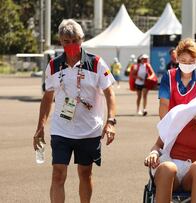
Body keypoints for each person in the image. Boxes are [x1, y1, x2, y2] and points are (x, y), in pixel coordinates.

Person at [32, 19, 117, 203]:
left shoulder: (96, 63)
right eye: (66, 41)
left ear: (82, 39)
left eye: (75, 40)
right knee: (58, 174)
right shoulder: (53, 66)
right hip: (61, 129)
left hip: (89, 130)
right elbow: (47, 97)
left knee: (85, 173)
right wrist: (40, 127)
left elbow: (110, 93)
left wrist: (110, 121)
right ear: (60, 41)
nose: (71, 45)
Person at [144, 38, 196, 203]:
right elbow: (159, 143)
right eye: (184, 60)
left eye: (191, 61)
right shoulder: (175, 120)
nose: (187, 64)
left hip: (192, 168)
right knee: (167, 167)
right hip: (170, 161)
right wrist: (153, 152)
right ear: (177, 58)